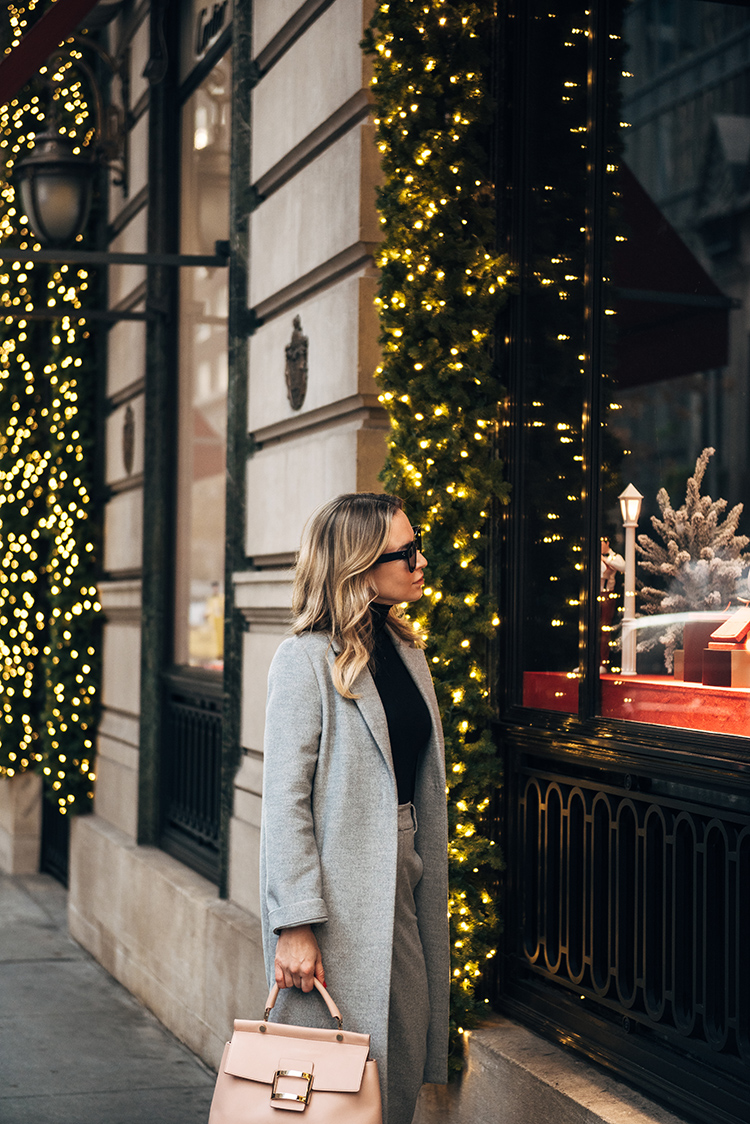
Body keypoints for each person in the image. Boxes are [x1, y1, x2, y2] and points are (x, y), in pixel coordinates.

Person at [259, 492, 449, 1124]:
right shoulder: (305, 659)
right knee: (326, 1087)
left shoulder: (406, 650)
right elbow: (285, 799)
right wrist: (295, 923)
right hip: (333, 901)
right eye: (406, 552)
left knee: (393, 1061)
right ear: (360, 564)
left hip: (403, 879)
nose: (421, 562)